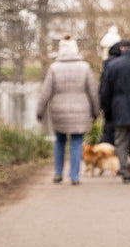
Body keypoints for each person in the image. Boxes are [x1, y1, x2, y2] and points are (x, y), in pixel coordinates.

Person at [35, 35, 98, 184]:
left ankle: (58, 173)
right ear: (75, 49)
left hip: (58, 110)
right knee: (76, 143)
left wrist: (40, 111)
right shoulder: (85, 67)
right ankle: (74, 176)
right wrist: (96, 111)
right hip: (81, 110)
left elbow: (45, 92)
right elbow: (93, 91)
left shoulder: (54, 68)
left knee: (60, 141)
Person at [98, 39, 130, 182]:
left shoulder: (113, 66)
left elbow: (105, 92)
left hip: (119, 110)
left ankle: (125, 170)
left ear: (122, 48)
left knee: (120, 140)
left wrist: (106, 111)